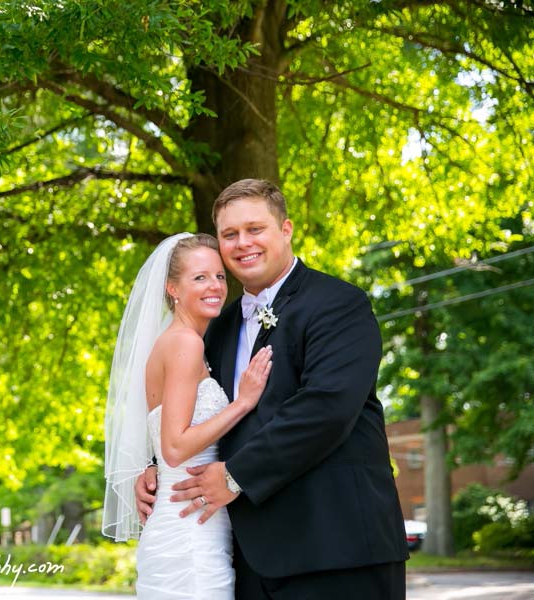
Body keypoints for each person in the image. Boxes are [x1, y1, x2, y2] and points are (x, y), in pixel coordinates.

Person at [135, 179, 408, 599]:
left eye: (254, 229)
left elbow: (327, 410)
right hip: (244, 560)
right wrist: (157, 467)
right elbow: (191, 410)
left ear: (285, 230)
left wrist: (233, 475)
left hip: (335, 550)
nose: (243, 243)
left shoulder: (338, 303)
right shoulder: (217, 329)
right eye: (230, 234)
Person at [102, 232, 273, 598]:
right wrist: (242, 403)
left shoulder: (179, 341)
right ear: (172, 288)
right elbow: (175, 447)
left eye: (219, 276)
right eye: (199, 277)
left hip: (189, 517)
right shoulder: (185, 343)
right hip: (188, 531)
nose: (214, 286)